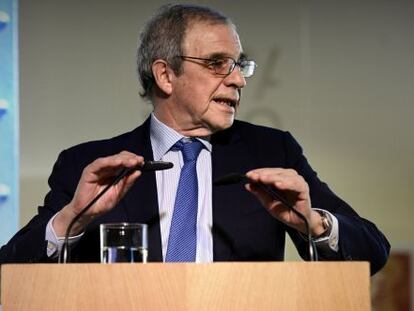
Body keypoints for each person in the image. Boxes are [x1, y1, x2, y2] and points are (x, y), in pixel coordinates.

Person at [0, 4, 389, 274]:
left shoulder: (273, 151)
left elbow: (373, 252)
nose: (237, 79)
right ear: (166, 75)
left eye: (240, 66)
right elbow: (10, 273)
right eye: (218, 63)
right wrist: (72, 220)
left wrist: (315, 224)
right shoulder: (87, 165)